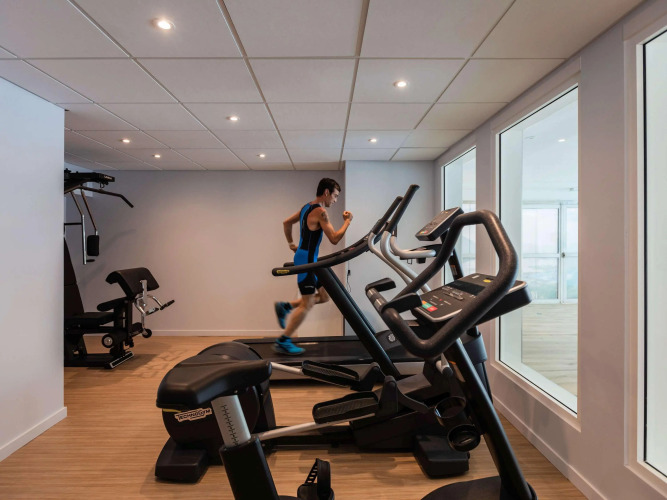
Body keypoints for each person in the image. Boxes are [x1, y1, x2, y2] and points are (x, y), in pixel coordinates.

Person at [274, 178, 353, 355]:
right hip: (307, 262)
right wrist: (348, 221)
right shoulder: (320, 212)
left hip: (307, 258)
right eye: (335, 196)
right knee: (307, 303)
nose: (335, 200)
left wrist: (291, 244)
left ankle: (286, 306)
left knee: (324, 296)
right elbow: (334, 238)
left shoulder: (306, 207)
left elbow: (286, 223)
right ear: (326, 192)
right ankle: (283, 341)